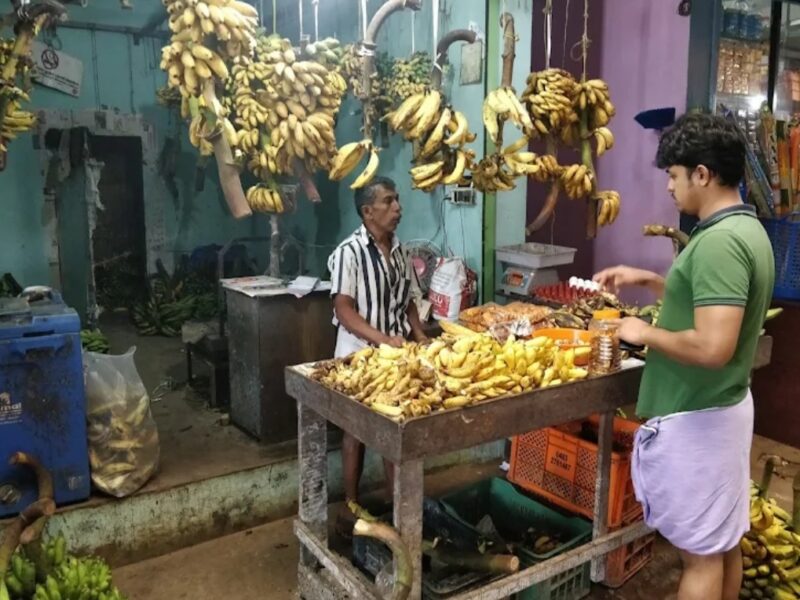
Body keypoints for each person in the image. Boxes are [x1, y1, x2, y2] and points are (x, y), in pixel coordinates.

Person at [594, 113, 774, 600]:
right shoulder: (745, 228)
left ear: (702, 174)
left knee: (697, 559)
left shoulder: (720, 243)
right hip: (723, 408)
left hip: (699, 418)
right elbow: (710, 300)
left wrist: (643, 331)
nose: (670, 187)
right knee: (723, 542)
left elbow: (713, 345)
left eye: (674, 175)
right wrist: (651, 281)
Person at [327, 175, 428, 534]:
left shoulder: (401, 251)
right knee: (355, 433)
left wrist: (418, 335)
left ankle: (397, 504)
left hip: (395, 356)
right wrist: (383, 339)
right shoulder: (348, 253)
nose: (398, 207)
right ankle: (351, 504)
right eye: (389, 201)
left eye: (397, 199)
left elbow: (409, 301)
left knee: (394, 431)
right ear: (368, 211)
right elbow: (344, 309)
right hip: (357, 357)